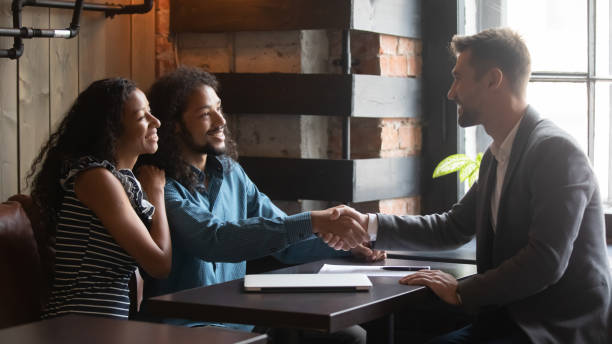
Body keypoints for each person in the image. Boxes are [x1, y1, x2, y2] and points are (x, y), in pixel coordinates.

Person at [334, 28, 611, 343]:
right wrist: (368, 224)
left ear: (493, 80)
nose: (451, 93)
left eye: (459, 78)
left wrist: (461, 291)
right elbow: (452, 227)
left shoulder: (556, 151)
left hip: (552, 330)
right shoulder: (497, 154)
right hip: (504, 323)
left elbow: (546, 261)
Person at [137, 67, 380, 343]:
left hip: (241, 319)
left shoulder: (232, 174)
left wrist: (354, 243)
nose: (221, 120)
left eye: (219, 108)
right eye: (205, 114)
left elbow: (287, 245)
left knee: (348, 337)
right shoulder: (158, 185)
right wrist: (313, 220)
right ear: (175, 125)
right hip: (185, 327)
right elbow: (215, 238)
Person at [28, 78, 172, 320]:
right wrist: (157, 193)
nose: (156, 122)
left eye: (151, 112)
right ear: (112, 129)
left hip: (102, 326)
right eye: (141, 117)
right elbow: (160, 264)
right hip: (77, 326)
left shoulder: (119, 180)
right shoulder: (98, 180)